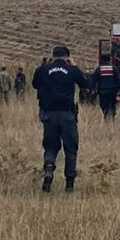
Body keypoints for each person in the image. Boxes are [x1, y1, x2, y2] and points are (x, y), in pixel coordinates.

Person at [32, 46, 90, 193]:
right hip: (67, 115)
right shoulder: (72, 69)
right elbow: (86, 84)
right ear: (67, 56)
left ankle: (49, 167)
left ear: (52, 56)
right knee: (70, 147)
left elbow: (35, 85)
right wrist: (75, 65)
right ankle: (69, 183)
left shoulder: (43, 70)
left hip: (48, 114)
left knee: (50, 145)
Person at [33, 57, 49, 122]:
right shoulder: (50, 68)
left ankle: (41, 118)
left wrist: (38, 87)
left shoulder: (38, 69)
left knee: (41, 106)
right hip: (50, 91)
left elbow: (34, 82)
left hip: (41, 91)